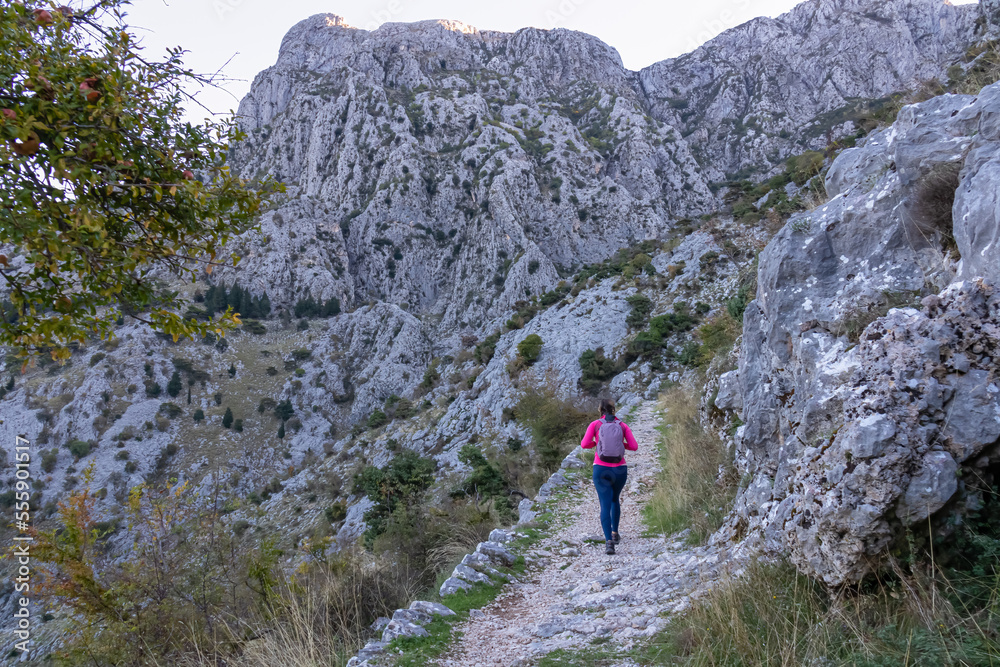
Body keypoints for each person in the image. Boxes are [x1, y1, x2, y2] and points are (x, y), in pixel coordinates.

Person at [580, 398, 638, 555]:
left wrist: (597, 443)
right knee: (615, 500)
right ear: (614, 410)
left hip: (600, 468)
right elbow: (634, 446)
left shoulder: (595, 425)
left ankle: (608, 543)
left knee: (604, 504)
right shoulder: (622, 425)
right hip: (620, 469)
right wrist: (620, 444)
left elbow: (584, 444)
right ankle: (615, 533)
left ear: (600, 410)